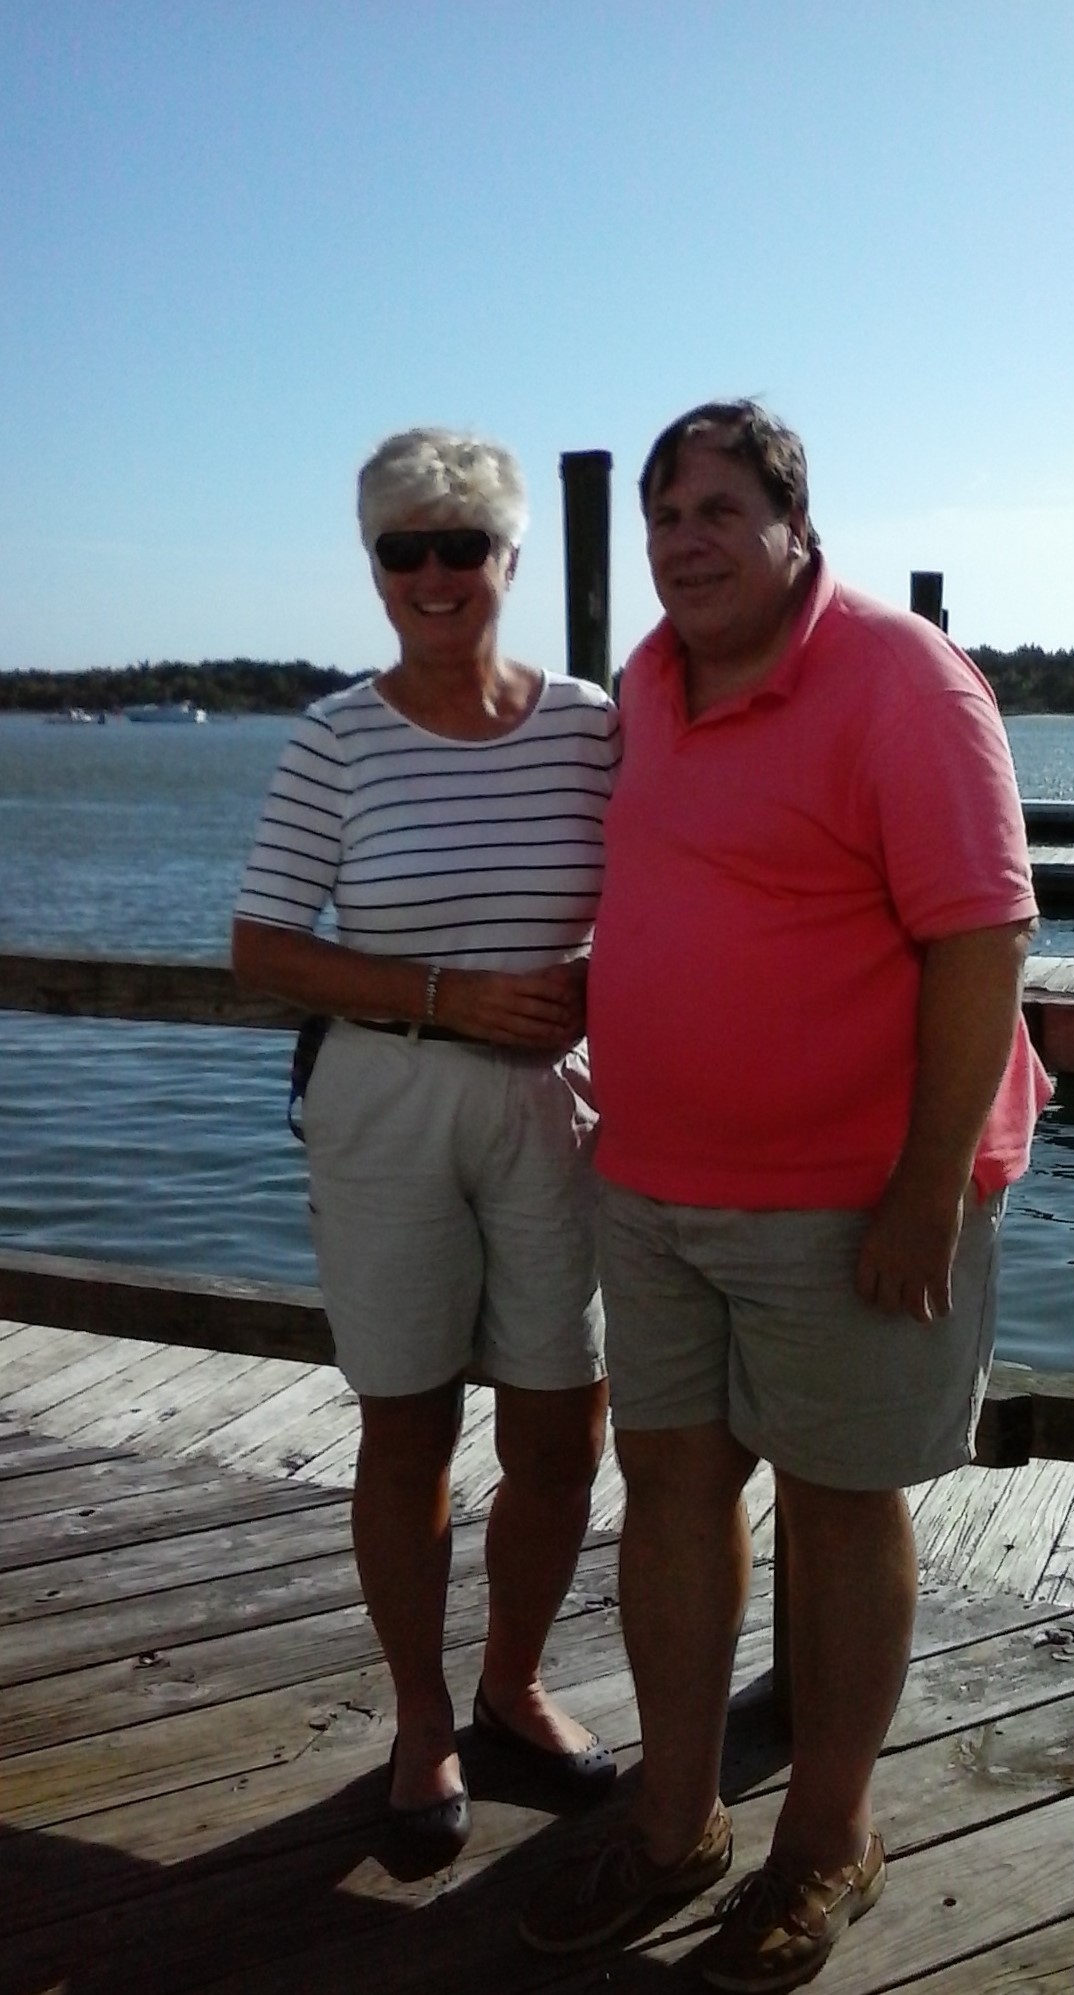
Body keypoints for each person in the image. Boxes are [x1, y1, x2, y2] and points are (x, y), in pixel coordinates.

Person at [519, 401, 1051, 1986]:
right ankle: (675, 1819)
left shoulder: (901, 681)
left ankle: (828, 1839)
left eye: (718, 510)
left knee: (838, 1504)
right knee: (671, 1493)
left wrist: (927, 1190)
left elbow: (984, 939)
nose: (683, 539)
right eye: (662, 514)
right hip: (657, 1184)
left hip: (851, 1198)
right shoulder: (647, 686)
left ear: (796, 527)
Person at [232, 426, 620, 1865]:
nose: (436, 574)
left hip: (556, 1105)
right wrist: (445, 994)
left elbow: (673, 880)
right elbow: (263, 945)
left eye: (465, 545)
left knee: (564, 1427)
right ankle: (420, 1718)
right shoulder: (335, 738)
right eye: (406, 549)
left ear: (512, 558)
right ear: (374, 565)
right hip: (387, 1100)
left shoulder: (590, 724)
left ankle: (512, 1683)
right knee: (407, 1425)